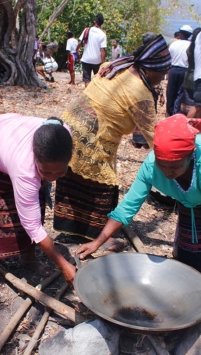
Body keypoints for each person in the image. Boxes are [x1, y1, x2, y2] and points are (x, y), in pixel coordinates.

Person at [76, 114, 201, 307]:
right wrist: (98, 242)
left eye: (174, 167)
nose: (166, 172)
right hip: (192, 195)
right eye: (161, 164)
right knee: (190, 258)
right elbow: (127, 207)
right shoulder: (151, 166)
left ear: (190, 157)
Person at [53, 33, 171, 241]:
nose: (164, 78)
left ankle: (71, 230)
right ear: (150, 68)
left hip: (70, 125)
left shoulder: (115, 65)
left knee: (73, 178)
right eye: (163, 73)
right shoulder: (141, 94)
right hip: (92, 136)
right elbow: (157, 138)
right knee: (103, 186)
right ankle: (92, 236)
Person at [0, 114, 76, 292]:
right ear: (35, 158)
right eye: (46, 171)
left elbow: (33, 216)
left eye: (59, 173)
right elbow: (32, 225)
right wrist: (63, 265)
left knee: (36, 204)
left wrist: (44, 177)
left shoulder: (63, 137)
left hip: (7, 140)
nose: (52, 178)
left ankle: (28, 257)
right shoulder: (25, 169)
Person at [166, 24, 192, 116]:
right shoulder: (191, 45)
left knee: (170, 91)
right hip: (185, 70)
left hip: (173, 69)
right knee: (180, 93)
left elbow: (168, 58)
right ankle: (175, 112)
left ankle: (169, 111)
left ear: (180, 34)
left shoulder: (174, 44)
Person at [76, 14, 107, 87]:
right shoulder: (102, 34)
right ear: (102, 23)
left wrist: (77, 50)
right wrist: (103, 63)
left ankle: (87, 97)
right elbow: (103, 50)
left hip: (86, 59)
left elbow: (80, 43)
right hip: (97, 61)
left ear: (94, 21)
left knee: (87, 80)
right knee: (97, 80)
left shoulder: (86, 30)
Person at [180, 27, 201, 115]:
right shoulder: (200, 49)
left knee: (187, 100)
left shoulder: (190, 48)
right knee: (196, 103)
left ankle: (185, 118)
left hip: (188, 75)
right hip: (196, 76)